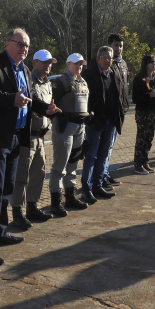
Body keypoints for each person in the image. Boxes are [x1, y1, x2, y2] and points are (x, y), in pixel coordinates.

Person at [0, 28, 61, 266]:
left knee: (7, 189)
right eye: (19, 44)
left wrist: (45, 109)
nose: (23, 48)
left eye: (27, 46)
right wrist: (11, 99)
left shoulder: (24, 70)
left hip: (15, 136)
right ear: (7, 43)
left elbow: (29, 99)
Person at [10, 49, 57, 229]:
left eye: (50, 62)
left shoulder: (46, 83)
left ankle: (32, 207)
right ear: (34, 62)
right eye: (44, 62)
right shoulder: (28, 80)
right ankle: (17, 212)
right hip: (27, 135)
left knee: (39, 173)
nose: (48, 65)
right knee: (21, 176)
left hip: (40, 136)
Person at [49, 53, 91, 215]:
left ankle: (70, 196)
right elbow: (51, 103)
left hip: (80, 127)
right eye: (76, 63)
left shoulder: (82, 81)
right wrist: (58, 119)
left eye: (81, 64)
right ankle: (56, 202)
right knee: (60, 165)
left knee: (73, 163)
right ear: (68, 64)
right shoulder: (61, 81)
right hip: (65, 127)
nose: (79, 66)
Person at [81, 46, 126, 201]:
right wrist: (90, 117)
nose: (107, 60)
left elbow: (120, 96)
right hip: (95, 123)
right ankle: (86, 189)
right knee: (91, 156)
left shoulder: (115, 74)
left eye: (110, 57)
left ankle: (98, 186)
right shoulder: (88, 74)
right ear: (98, 58)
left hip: (111, 122)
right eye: (104, 57)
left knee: (104, 155)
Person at [102, 33, 130, 189]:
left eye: (120, 46)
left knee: (110, 146)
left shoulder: (123, 64)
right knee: (105, 147)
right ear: (109, 46)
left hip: (121, 111)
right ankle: (101, 176)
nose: (118, 48)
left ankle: (105, 173)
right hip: (110, 112)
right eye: (115, 45)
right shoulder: (107, 64)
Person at [131, 55, 155, 174]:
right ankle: (138, 164)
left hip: (153, 111)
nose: (154, 64)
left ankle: (145, 162)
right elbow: (135, 98)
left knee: (149, 138)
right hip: (142, 112)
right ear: (146, 64)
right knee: (141, 138)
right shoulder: (139, 78)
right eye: (152, 62)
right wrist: (149, 95)